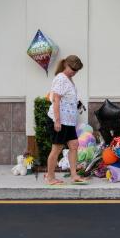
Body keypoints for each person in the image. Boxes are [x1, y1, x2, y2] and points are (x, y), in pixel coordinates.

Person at [44, 54, 86, 185]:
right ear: (65, 65)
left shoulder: (68, 79)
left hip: (68, 121)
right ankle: (50, 177)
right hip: (60, 121)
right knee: (57, 148)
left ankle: (74, 175)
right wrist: (57, 121)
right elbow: (56, 99)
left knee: (74, 145)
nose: (74, 72)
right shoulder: (61, 78)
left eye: (76, 70)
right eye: (73, 69)